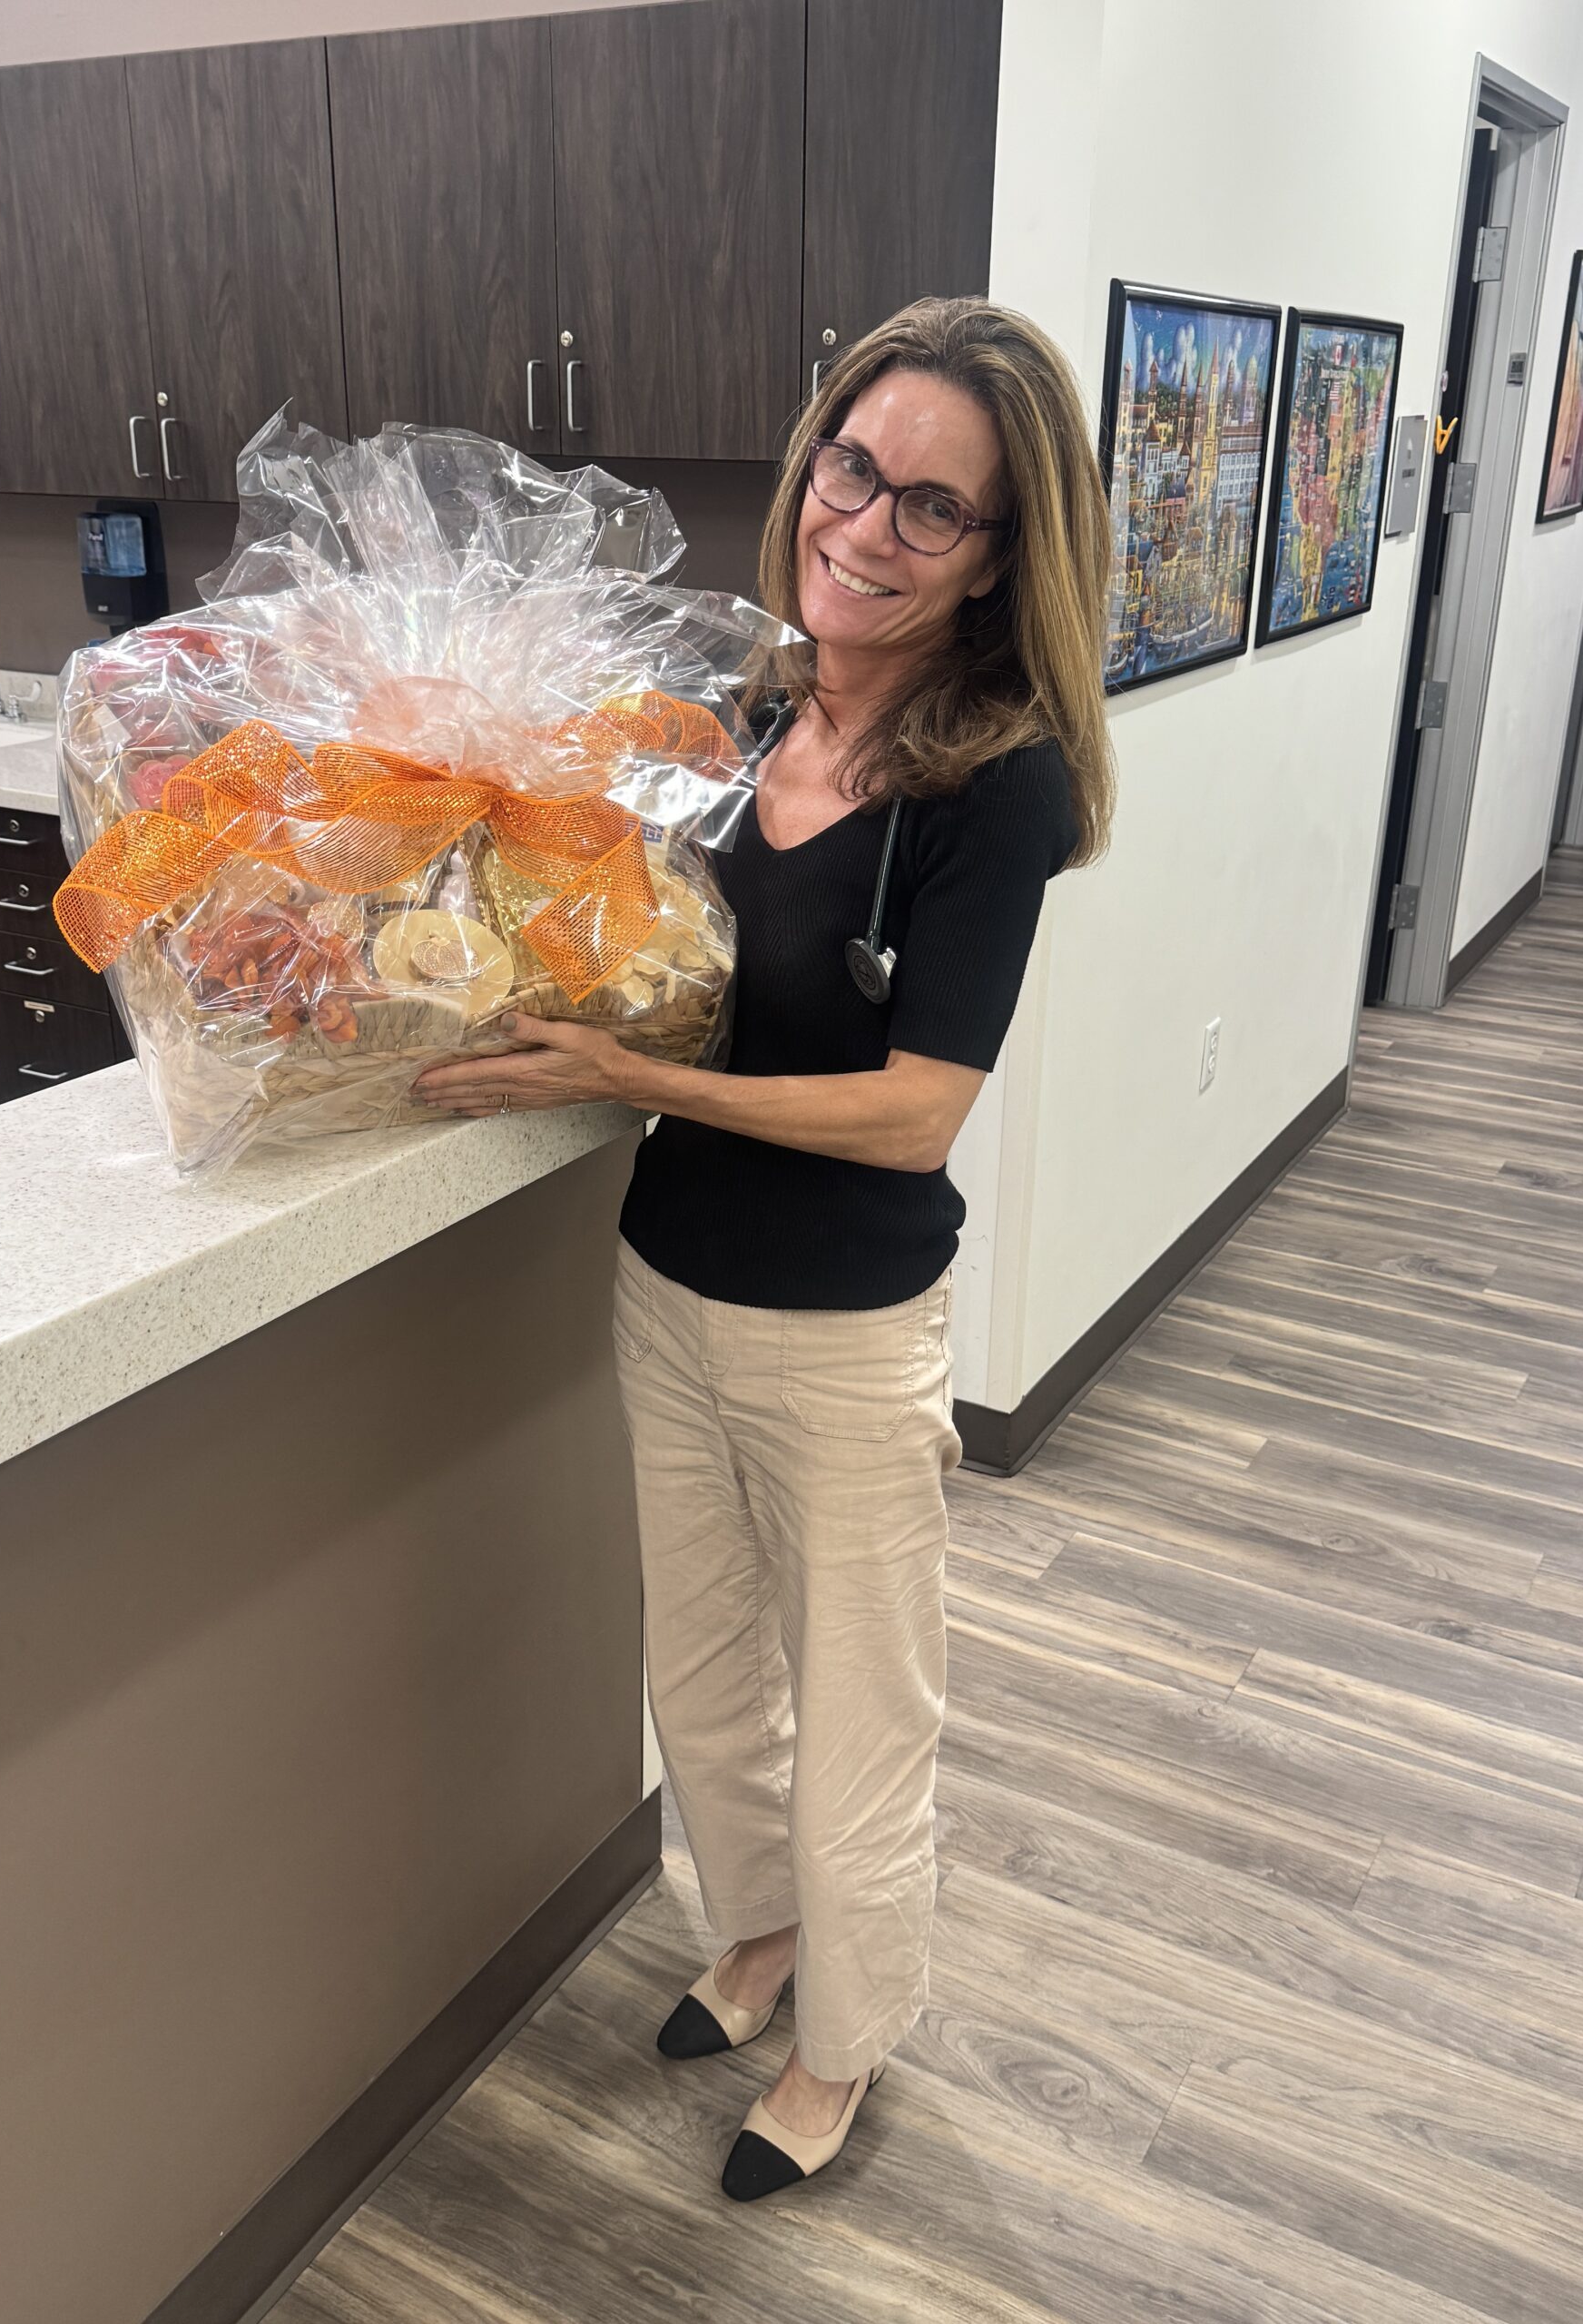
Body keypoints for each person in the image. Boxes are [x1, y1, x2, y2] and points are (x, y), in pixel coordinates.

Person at [416, 296, 1115, 2199]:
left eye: (933, 509)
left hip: (842, 1321)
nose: (865, 525)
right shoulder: (722, 715)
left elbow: (914, 1109)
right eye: (852, 467)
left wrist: (636, 1076)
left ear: (999, 558)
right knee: (707, 1677)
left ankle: (848, 2036)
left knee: (864, 1712)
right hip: (666, 1284)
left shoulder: (998, 783)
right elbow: (632, 951)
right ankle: (757, 1932)